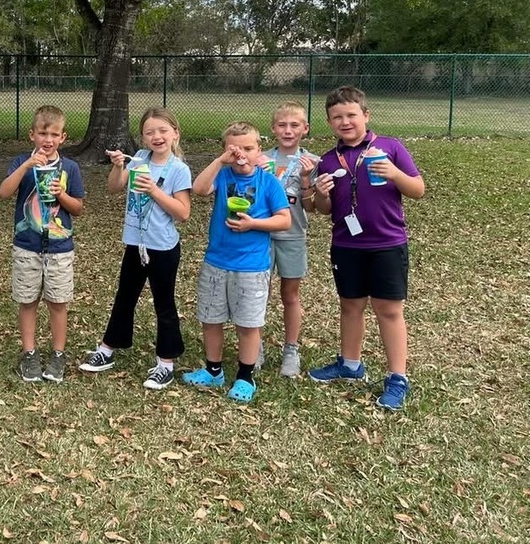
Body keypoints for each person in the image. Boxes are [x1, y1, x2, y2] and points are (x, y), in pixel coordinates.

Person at [308, 86, 425, 410]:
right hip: (346, 244)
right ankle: (350, 364)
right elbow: (323, 209)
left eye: (351, 115)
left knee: (388, 310)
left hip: (387, 243)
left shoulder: (390, 147)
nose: (345, 122)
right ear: (329, 122)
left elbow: (418, 190)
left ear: (366, 115)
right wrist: (321, 192)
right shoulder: (328, 160)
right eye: (337, 117)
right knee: (350, 305)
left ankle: (397, 377)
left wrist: (395, 173)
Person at [79, 107, 192, 390]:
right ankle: (107, 349)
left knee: (164, 304)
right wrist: (119, 166)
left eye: (163, 131)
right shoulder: (139, 158)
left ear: (175, 134)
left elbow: (183, 213)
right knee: (125, 297)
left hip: (163, 247)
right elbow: (114, 187)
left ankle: (166, 364)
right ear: (142, 138)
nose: (157, 137)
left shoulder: (178, 169)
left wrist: (154, 190)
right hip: (135, 243)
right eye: (149, 132)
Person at [182, 121, 291, 404]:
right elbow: (199, 189)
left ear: (259, 150)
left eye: (248, 148)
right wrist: (220, 161)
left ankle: (245, 376)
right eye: (234, 149)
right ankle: (213, 370)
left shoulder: (268, 182)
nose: (241, 154)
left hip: (251, 266)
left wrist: (253, 224)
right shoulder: (223, 175)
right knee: (211, 319)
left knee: (248, 324)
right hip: (216, 261)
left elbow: (284, 220)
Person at [0, 105, 85, 383]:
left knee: (58, 302)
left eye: (54, 135)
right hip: (27, 245)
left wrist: (62, 194)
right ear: (32, 135)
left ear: (63, 137)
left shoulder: (69, 167)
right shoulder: (21, 162)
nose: (48, 140)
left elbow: (78, 208)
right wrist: (26, 166)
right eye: (43, 134)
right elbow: (4, 192)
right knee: (28, 301)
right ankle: (29, 353)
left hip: (59, 248)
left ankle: (58, 354)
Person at [260, 101, 320, 377]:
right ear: (273, 128)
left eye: (294, 125)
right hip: (261, 235)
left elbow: (311, 207)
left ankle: (291, 349)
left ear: (305, 129)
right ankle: (255, 345)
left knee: (290, 295)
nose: (287, 130)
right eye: (282, 125)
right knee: (259, 294)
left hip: (293, 236)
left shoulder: (313, 162)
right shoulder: (260, 158)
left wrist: (306, 179)